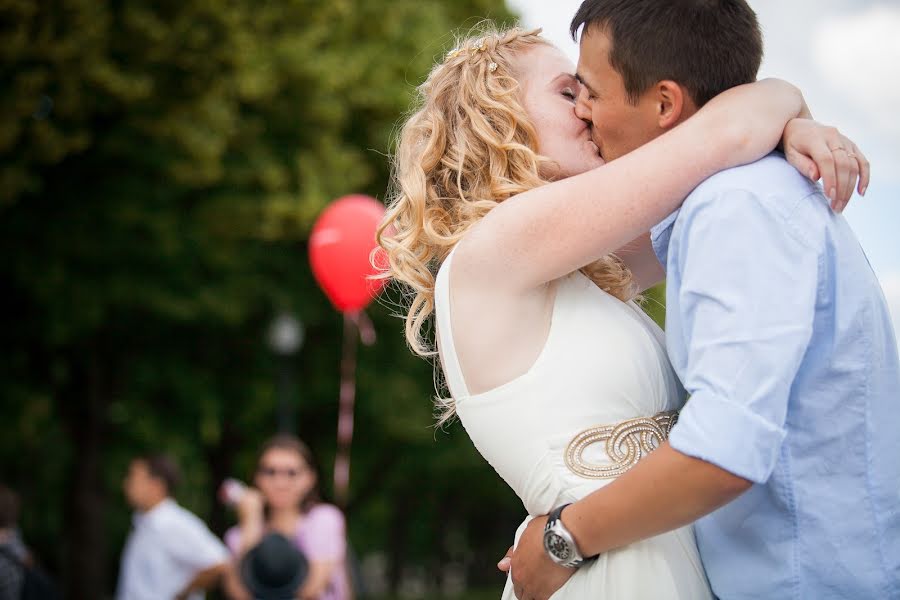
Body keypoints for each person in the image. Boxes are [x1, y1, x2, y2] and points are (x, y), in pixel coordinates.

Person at [377, 20, 868, 600]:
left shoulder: (582, 273)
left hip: (648, 551)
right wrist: (792, 114)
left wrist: (789, 123)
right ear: (496, 117)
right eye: (568, 91)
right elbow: (728, 133)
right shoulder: (496, 248)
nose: (589, 108)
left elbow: (728, 143)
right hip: (595, 568)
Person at [506, 2, 898, 600]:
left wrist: (563, 539)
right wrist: (787, 110)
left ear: (664, 104)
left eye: (590, 91)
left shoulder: (733, 209)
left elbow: (724, 451)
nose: (584, 112)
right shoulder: (736, 199)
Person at [223, 435, 350, 600]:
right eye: (270, 472)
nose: (280, 482)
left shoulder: (323, 519)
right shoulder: (239, 535)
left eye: (292, 473)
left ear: (310, 478)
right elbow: (238, 594)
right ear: (257, 477)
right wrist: (251, 521)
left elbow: (312, 588)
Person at [116, 454, 229, 600]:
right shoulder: (143, 524)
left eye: (134, 477)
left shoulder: (174, 524)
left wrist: (181, 594)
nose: (127, 484)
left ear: (156, 485)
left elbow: (220, 564)